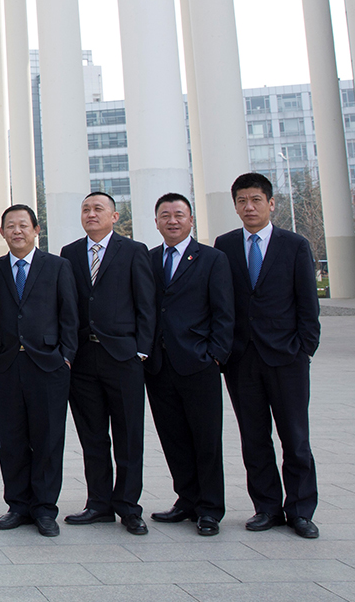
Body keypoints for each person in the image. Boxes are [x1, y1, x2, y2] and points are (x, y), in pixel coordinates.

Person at [214, 172, 321, 539]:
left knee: (295, 438)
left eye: (256, 200)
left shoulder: (295, 245)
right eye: (242, 201)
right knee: (254, 437)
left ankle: (301, 511)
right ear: (235, 206)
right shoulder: (225, 245)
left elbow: (308, 303)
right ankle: (267, 508)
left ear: (271, 203)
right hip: (242, 359)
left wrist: (304, 349)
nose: (249, 207)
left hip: (287, 358)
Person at [58, 192, 155, 536]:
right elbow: (66, 305)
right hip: (84, 360)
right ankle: (98, 504)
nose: (91, 213)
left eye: (98, 209)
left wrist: (141, 351)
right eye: (86, 209)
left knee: (129, 436)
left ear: (114, 216)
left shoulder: (133, 251)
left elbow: (146, 304)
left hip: (123, 358)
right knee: (93, 436)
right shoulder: (70, 253)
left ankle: (128, 506)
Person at [0, 204, 77, 537]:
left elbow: (69, 315)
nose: (17, 231)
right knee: (11, 439)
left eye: (23, 225)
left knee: (48, 439)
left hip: (48, 365)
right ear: (2, 232)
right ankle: (18, 505)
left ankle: (45, 508)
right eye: (10, 226)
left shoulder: (58, 266)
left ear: (36, 230)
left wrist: (65, 357)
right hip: (5, 366)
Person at [145, 193, 234, 537]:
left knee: (206, 439)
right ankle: (187, 500)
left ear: (191, 220)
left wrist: (215, 355)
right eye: (165, 215)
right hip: (159, 365)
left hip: (199, 363)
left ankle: (210, 508)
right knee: (174, 438)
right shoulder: (149, 259)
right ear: (156, 222)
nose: (172, 221)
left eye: (179, 215)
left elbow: (224, 312)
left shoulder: (212, 259)